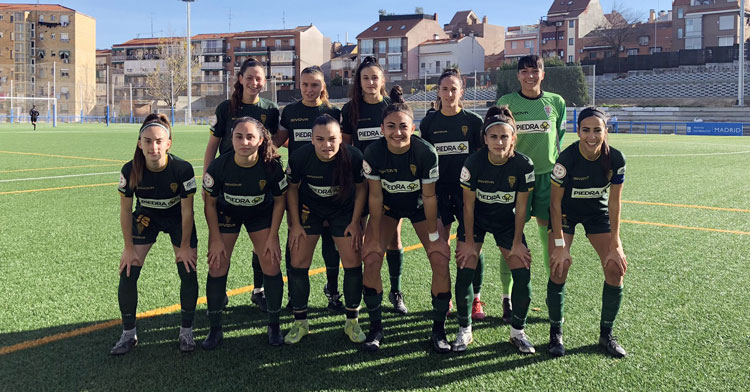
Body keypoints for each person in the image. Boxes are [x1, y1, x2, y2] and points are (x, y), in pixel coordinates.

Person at [360, 86, 452, 353]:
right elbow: (375, 198)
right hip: (388, 206)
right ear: (381, 129)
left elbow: (430, 196)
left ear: (413, 128)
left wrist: (435, 235)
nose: (397, 132)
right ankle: (376, 328)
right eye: (391, 126)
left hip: (422, 207)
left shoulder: (425, 152)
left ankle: (438, 330)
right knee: (373, 256)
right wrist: (375, 233)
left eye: (403, 126)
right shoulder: (374, 153)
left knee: (439, 256)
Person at [112, 113, 199, 355]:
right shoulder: (130, 169)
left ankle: (186, 331)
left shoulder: (182, 168)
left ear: (168, 143)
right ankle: (128, 334)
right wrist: (129, 249)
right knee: (128, 270)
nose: (154, 146)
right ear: (140, 143)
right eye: (148, 141)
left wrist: (183, 246)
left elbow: (187, 212)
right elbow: (125, 211)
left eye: (159, 141)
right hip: (146, 218)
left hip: (176, 219)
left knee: (188, 267)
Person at [547, 107, 627, 358]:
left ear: (605, 131)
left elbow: (614, 203)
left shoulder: (616, 158)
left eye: (597, 130)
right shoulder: (567, 159)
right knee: (559, 266)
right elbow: (555, 204)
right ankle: (555, 332)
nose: (591, 136)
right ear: (578, 131)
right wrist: (560, 243)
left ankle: (606, 335)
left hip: (597, 214)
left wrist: (616, 242)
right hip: (566, 215)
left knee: (615, 268)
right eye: (586, 130)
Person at [454, 106, 535, 353]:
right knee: (465, 266)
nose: (499, 142)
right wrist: (468, 241)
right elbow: (467, 206)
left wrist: (518, 241)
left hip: (505, 222)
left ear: (513, 138)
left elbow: (521, 208)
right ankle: (464, 329)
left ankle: (517, 332)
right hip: (476, 220)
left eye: (504, 136)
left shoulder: (523, 165)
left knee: (522, 272)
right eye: (494, 137)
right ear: (485, 139)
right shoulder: (473, 162)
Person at [202, 117, 287, 348]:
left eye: (250, 137)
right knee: (217, 263)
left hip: (260, 213)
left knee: (270, 261)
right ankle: (215, 329)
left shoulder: (271, 165)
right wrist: (216, 239)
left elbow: (280, 201)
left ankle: (274, 325)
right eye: (239, 136)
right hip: (227, 213)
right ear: (232, 138)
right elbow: (209, 204)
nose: (244, 141)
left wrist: (272, 236)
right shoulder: (219, 166)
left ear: (260, 140)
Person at [204, 57, 280, 312]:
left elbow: (275, 144)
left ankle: (259, 291)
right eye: (249, 77)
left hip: (258, 185)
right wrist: (207, 177)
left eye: (259, 78)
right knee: (220, 250)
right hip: (227, 182)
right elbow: (213, 145)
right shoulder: (227, 108)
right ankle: (219, 295)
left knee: (263, 247)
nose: (254, 82)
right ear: (240, 79)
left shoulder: (270, 109)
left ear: (265, 82)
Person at [284, 114, 368, 345]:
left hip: (343, 211)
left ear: (341, 138)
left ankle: (352, 321)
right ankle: (300, 322)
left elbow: (362, 190)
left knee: (352, 260)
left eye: (332, 138)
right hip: (310, 210)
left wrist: (356, 222)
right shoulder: (300, 157)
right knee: (298, 260)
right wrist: (295, 224)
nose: (326, 144)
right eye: (320, 139)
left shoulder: (354, 156)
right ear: (311, 139)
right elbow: (291, 190)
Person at [496, 55, 567, 323]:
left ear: (542, 74)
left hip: (547, 178)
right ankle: (507, 298)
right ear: (518, 76)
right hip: (516, 179)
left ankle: (552, 296)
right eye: (524, 71)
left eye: (534, 71)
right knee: (510, 238)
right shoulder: (507, 103)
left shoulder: (556, 102)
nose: (529, 76)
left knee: (548, 237)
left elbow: (558, 138)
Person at [275, 65, 344, 312]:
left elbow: (344, 148)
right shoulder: (290, 112)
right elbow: (277, 142)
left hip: (330, 186)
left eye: (314, 84)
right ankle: (296, 296)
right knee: (295, 239)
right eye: (304, 84)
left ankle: (333, 291)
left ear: (322, 86)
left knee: (331, 240)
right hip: (299, 188)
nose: (309, 89)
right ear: (299, 85)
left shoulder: (333, 112)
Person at [342, 56, 408, 314]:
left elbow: (404, 144)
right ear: (359, 82)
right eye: (365, 78)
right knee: (357, 240)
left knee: (393, 239)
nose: (370, 82)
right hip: (360, 184)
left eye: (374, 77)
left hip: (390, 183)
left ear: (383, 80)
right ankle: (358, 291)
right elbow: (346, 149)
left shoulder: (392, 106)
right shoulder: (350, 110)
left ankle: (396, 290)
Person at [419, 69, 485, 320]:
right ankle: (443, 297)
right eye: (444, 89)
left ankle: (476, 299)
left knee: (471, 246)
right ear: (438, 91)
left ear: (461, 92)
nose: (448, 94)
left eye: (453, 89)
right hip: (437, 193)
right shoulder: (429, 122)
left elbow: (481, 158)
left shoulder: (474, 121)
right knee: (440, 247)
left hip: (466, 194)